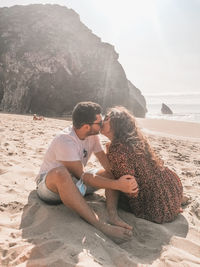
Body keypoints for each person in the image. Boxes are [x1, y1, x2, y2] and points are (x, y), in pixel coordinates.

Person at [36, 101, 138, 242]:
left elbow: (106, 164)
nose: (102, 124)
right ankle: (100, 225)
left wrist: (119, 174)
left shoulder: (92, 135)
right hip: (50, 187)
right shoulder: (65, 140)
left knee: (110, 173)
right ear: (86, 126)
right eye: (99, 122)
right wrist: (117, 185)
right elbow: (82, 175)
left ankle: (112, 215)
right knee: (61, 173)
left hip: (76, 182)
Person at [101, 106, 183, 225]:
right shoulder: (134, 141)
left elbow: (130, 189)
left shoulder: (117, 150)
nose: (103, 120)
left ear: (116, 124)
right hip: (171, 191)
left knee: (110, 178)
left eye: (107, 118)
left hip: (156, 206)